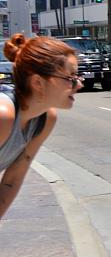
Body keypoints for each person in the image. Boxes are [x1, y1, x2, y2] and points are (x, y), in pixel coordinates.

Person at [0, 34, 82, 221]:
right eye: (70, 77)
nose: (79, 84)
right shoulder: (4, 116)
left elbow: (12, 180)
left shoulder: (45, 119)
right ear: (37, 82)